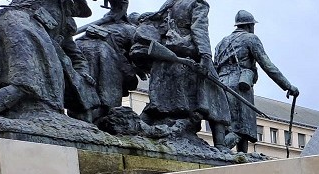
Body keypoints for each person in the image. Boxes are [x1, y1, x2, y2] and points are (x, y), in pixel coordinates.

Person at [136, 0, 230, 146]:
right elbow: (199, 30)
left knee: (158, 102)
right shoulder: (197, 3)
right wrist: (205, 57)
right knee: (217, 97)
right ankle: (220, 145)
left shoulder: (170, 3)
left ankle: (137, 129)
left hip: (165, 58)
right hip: (187, 56)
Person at [0, 0, 96, 119]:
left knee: (28, 81)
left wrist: (83, 73)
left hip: (40, 48)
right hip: (18, 26)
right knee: (26, 79)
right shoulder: (23, 11)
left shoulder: (64, 19)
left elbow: (75, 54)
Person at [214, 10, 298, 153]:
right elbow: (267, 64)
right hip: (240, 86)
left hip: (221, 85)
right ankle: (219, 151)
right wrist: (287, 86)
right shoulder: (251, 39)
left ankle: (243, 161)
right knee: (240, 129)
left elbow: (215, 66)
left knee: (232, 126)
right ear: (250, 25)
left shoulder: (221, 43)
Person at [74, 0, 143, 121]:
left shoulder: (99, 26)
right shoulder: (131, 30)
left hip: (81, 53)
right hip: (104, 58)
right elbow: (138, 55)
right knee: (105, 100)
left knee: (86, 92)